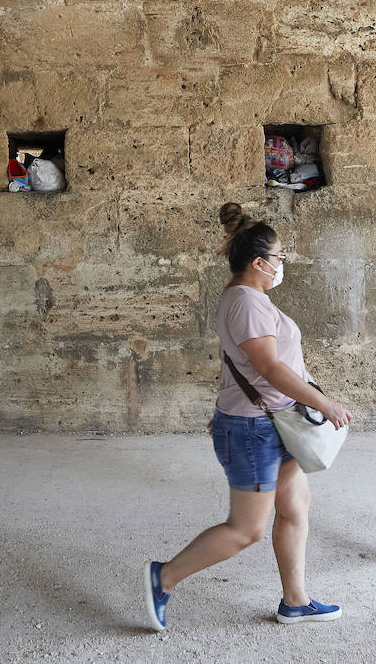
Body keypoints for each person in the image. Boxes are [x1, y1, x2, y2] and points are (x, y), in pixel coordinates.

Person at [142, 203, 352, 631]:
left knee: (294, 506)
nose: (282, 264)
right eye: (279, 257)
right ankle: (162, 577)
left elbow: (241, 366)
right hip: (256, 429)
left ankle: (296, 601)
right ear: (259, 262)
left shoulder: (246, 298)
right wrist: (323, 402)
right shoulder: (247, 303)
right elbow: (270, 368)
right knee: (246, 529)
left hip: (272, 421)